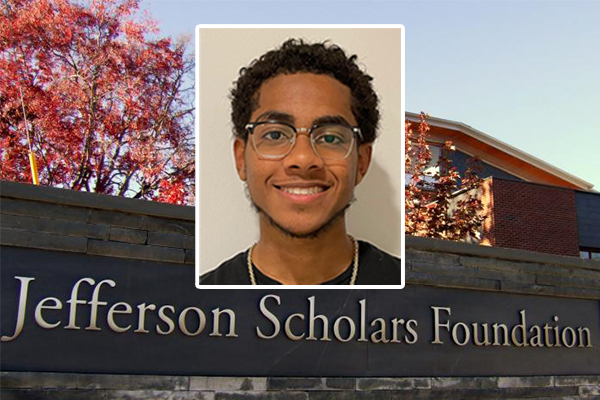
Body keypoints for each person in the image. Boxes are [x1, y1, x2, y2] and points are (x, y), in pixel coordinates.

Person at [200, 39, 401, 285]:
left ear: (361, 162)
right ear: (241, 158)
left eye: (329, 137)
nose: (303, 159)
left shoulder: (423, 303)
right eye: (275, 135)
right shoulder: (194, 312)